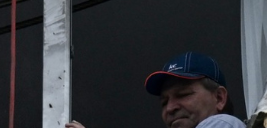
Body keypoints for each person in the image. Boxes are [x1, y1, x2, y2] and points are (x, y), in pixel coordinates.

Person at [66, 52, 244, 128]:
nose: (170, 108)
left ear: (219, 98)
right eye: (164, 102)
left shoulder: (224, 123)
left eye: (183, 94)